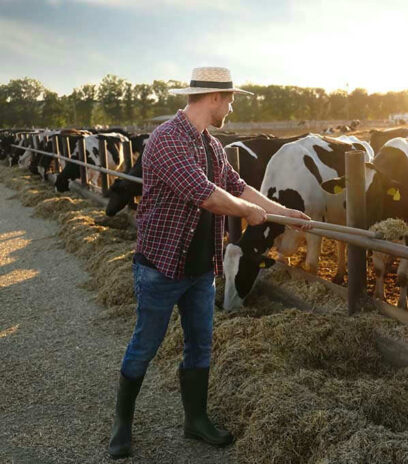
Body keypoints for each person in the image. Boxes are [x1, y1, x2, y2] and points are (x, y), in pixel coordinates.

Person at [108, 66, 310, 459]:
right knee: (145, 345)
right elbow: (206, 195)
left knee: (200, 346)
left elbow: (236, 185)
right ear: (214, 98)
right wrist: (249, 212)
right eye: (230, 99)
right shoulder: (166, 140)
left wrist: (282, 210)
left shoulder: (210, 144)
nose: (231, 108)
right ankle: (122, 423)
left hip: (201, 267)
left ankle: (195, 421)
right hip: (160, 266)